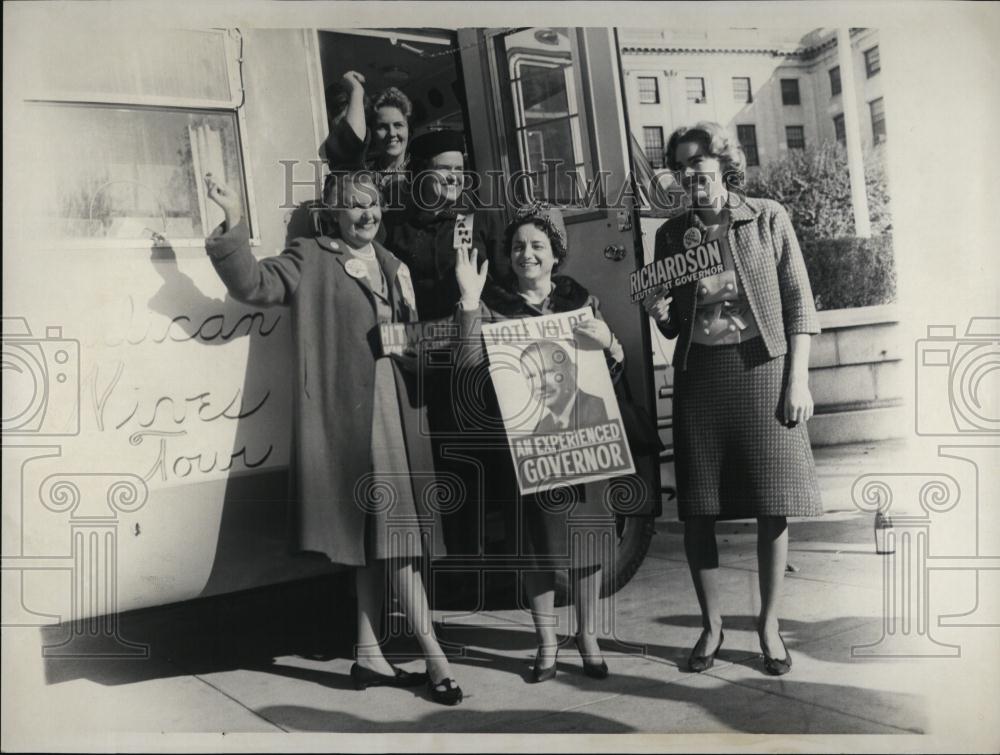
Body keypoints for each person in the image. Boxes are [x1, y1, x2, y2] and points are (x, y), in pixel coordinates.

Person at [201, 170, 463, 705]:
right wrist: (232, 222)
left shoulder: (394, 265)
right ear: (333, 213)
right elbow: (254, 284)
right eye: (355, 206)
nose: (368, 215)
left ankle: (368, 654)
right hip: (354, 421)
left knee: (374, 541)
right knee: (399, 543)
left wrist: (421, 338)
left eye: (374, 205)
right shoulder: (311, 256)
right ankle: (435, 657)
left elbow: (413, 340)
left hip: (398, 409)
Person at [643, 121, 822, 676]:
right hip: (701, 376)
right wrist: (657, 310)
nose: (689, 176)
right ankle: (713, 625)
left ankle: (768, 626)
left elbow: (798, 303)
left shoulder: (766, 216)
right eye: (679, 168)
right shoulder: (671, 236)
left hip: (764, 370)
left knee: (773, 501)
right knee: (699, 507)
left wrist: (798, 380)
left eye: (697, 164)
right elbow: (674, 325)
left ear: (724, 164)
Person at [454, 202, 625, 682]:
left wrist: (610, 341)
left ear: (556, 255)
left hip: (583, 434)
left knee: (589, 541)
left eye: (537, 246)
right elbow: (468, 366)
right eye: (517, 247)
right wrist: (469, 300)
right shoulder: (495, 305)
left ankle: (588, 636)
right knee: (537, 548)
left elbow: (612, 373)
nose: (526, 254)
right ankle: (548, 641)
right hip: (529, 442)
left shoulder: (580, 301)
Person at [382, 128, 506, 320]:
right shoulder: (397, 227)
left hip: (477, 332)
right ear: (421, 173)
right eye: (444, 168)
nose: (453, 177)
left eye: (459, 169)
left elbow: (506, 280)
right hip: (422, 337)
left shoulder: (482, 220)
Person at [520, 341, 610, 433]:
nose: (540, 385)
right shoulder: (540, 429)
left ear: (572, 372)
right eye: (530, 376)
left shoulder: (603, 410)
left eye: (548, 372)